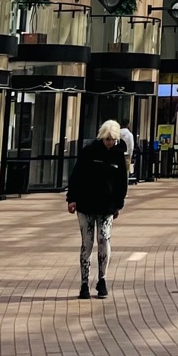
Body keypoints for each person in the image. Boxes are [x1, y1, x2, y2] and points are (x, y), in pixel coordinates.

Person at [66, 118, 129, 299]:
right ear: (102, 137)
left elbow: (121, 183)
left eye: (113, 139)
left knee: (104, 240)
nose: (110, 143)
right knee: (86, 243)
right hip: (85, 204)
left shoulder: (118, 155)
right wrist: (72, 198)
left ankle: (102, 280)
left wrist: (118, 204)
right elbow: (77, 175)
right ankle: (84, 283)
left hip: (107, 207)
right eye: (107, 139)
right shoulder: (89, 152)